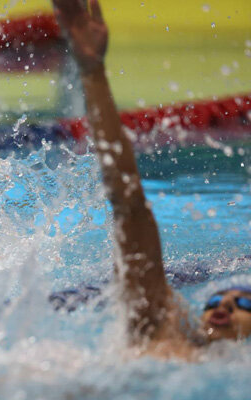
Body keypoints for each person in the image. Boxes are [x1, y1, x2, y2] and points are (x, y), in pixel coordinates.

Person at [51, 0, 251, 359]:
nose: (222, 307)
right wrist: (92, 72)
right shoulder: (160, 330)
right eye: (219, 298)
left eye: (243, 304)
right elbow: (129, 204)